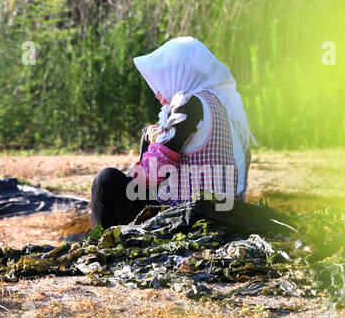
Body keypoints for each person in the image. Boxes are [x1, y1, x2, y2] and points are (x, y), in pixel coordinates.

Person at [91, 37, 255, 228]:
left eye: (163, 81)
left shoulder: (189, 103)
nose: (158, 94)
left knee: (106, 180)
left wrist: (149, 142)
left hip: (192, 216)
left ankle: (101, 244)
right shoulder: (223, 103)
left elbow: (149, 176)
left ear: (180, 74)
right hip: (227, 211)